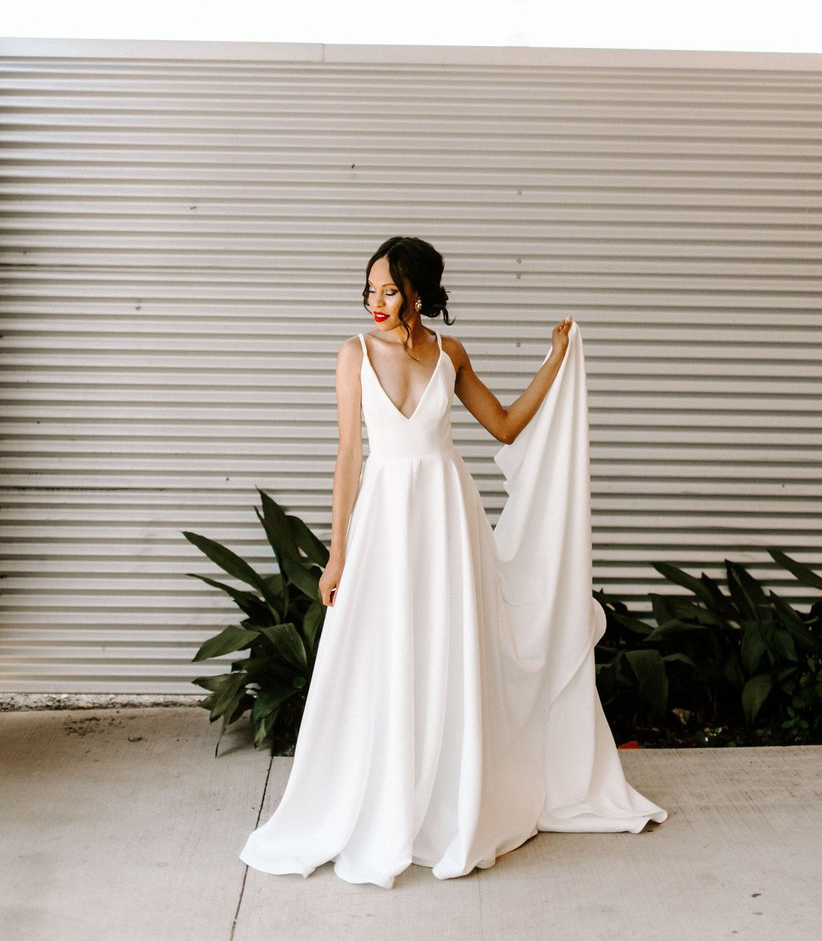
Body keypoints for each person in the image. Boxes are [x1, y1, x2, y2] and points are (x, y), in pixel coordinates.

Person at [239, 236, 666, 888]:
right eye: (370, 289)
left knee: (449, 651)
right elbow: (349, 457)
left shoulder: (448, 353)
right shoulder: (353, 354)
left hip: (448, 520)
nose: (377, 301)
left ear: (417, 291)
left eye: (390, 289)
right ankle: (387, 801)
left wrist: (554, 360)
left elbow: (504, 424)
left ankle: (452, 802)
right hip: (386, 521)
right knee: (385, 653)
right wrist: (338, 554)